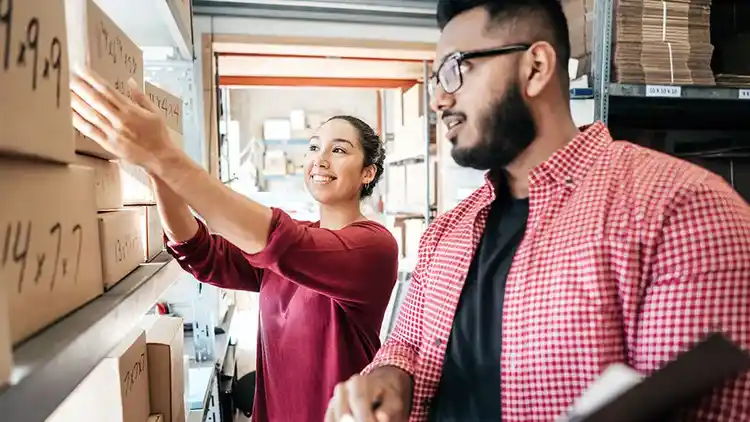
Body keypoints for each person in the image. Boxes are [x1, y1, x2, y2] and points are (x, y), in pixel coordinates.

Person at [326, 0, 750, 421]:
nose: (438, 99)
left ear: (535, 68)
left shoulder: (682, 211)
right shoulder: (447, 232)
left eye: (456, 69)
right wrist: (390, 375)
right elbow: (407, 345)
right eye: (438, 79)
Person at [68, 73, 400, 421]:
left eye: (339, 150)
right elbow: (202, 254)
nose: (320, 159)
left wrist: (164, 155)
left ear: (367, 173)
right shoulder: (298, 240)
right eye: (314, 146)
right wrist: (155, 168)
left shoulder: (374, 247)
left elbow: (281, 243)